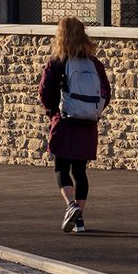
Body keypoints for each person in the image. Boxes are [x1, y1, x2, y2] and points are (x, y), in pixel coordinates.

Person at [37, 15, 112, 235]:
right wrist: (93, 111)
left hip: (65, 120)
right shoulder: (94, 63)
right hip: (88, 123)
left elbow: (44, 91)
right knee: (80, 170)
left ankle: (71, 206)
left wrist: (53, 112)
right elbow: (105, 93)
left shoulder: (57, 61)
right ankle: (79, 220)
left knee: (61, 167)